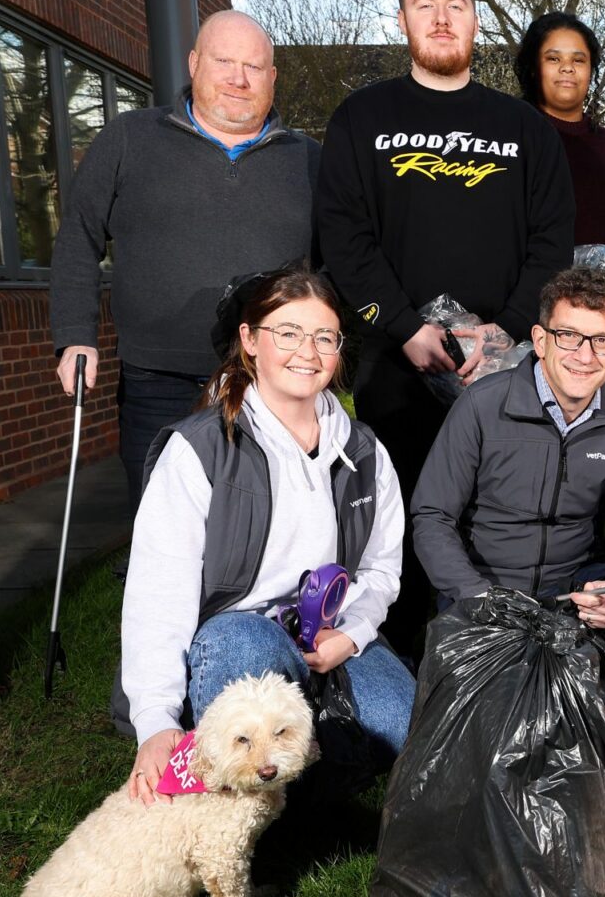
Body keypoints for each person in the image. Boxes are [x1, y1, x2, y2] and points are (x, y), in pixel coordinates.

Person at [316, 0, 577, 650]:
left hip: (503, 368)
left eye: (455, 3)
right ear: (401, 19)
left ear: (474, 18)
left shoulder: (525, 129)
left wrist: (509, 328)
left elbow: (552, 240)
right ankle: (400, 674)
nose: (440, 17)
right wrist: (401, 325)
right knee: (394, 525)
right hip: (397, 366)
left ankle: (497, 662)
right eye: (423, 3)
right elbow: (343, 239)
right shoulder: (362, 117)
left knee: (497, 525)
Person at [120, 265, 412, 802]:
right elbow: (156, 593)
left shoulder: (366, 452)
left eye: (324, 336)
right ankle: (242, 790)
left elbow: (381, 567)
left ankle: (304, 777)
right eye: (288, 332)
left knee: (404, 727)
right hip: (237, 642)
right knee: (240, 639)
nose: (308, 351)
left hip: (325, 638)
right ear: (250, 340)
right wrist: (155, 720)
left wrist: (352, 632)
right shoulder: (199, 449)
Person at [51, 10, 319, 513]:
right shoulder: (130, 139)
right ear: (194, 63)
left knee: (273, 528)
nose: (239, 78)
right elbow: (78, 240)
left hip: (270, 384)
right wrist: (74, 334)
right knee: (165, 530)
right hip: (158, 386)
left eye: (254, 67)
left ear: (273, 78)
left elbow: (335, 267)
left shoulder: (308, 159)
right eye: (224, 61)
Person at [410, 266, 605, 671]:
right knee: (484, 668)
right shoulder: (482, 406)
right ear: (540, 340)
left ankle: (580, 678)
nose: (585, 356)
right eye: (569, 336)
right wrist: (474, 594)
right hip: (489, 584)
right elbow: (432, 517)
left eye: (602, 341)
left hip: (572, 586)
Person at [514, 12, 605, 256]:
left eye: (578, 60)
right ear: (533, 68)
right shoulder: (507, 143)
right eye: (553, 59)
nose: (567, 68)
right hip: (522, 292)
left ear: (591, 70)